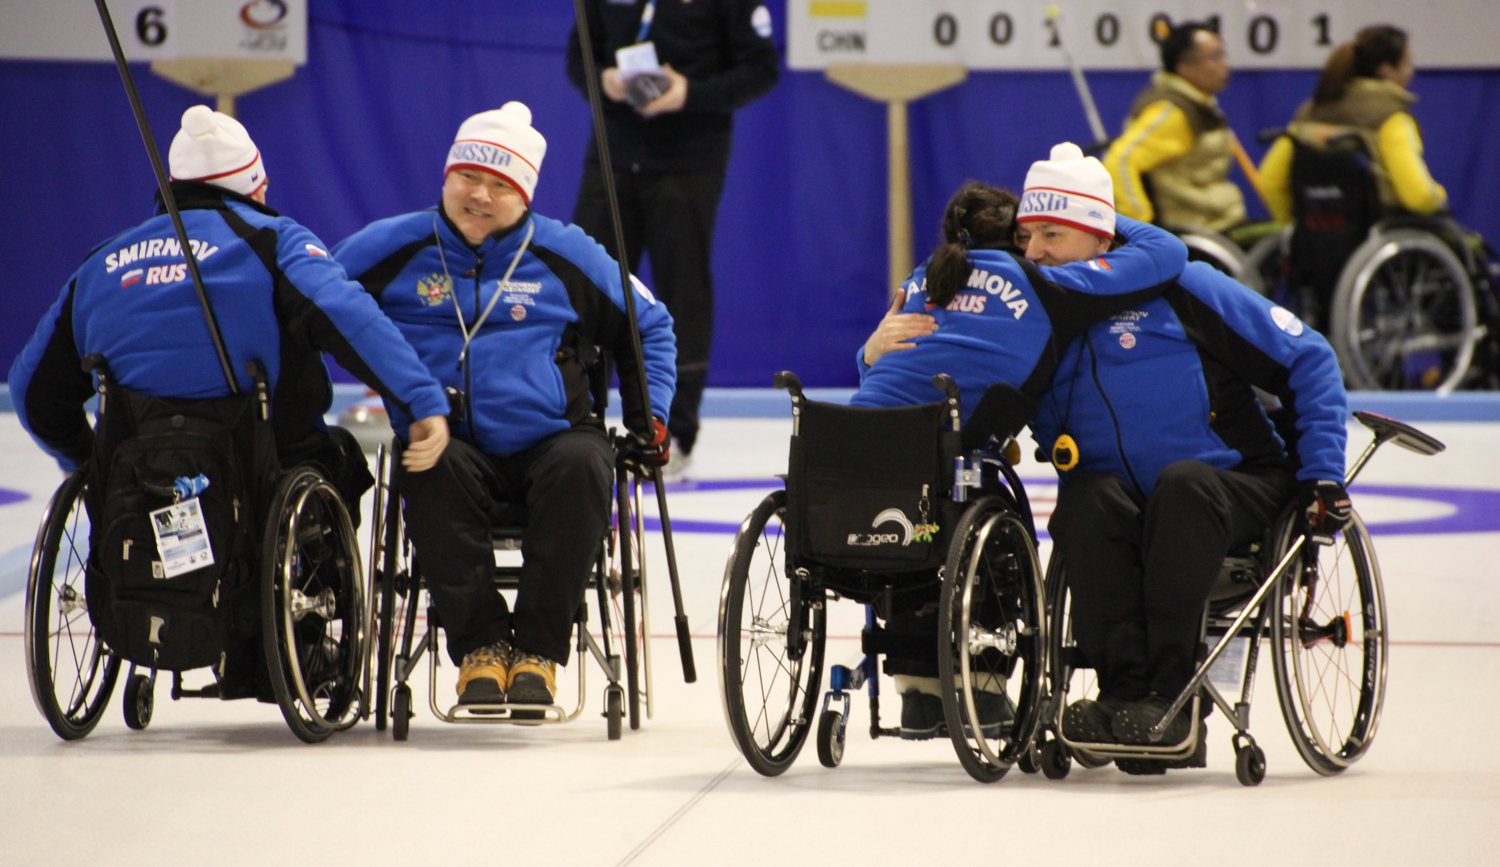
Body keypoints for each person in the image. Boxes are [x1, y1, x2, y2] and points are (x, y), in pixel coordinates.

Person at [9, 105, 452, 695]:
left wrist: (89, 464)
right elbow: (354, 323)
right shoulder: (274, 241)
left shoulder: (101, 263)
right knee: (340, 459)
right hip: (267, 464)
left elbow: (33, 391)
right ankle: (290, 647)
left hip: (136, 473)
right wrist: (419, 401)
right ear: (254, 186)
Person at [332, 102, 677, 715]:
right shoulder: (390, 246)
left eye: (500, 185)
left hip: (555, 437)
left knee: (584, 465)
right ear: (447, 177)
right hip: (449, 438)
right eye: (468, 177)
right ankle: (481, 649)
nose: (479, 196)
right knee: (427, 463)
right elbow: (314, 305)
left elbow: (648, 325)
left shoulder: (567, 253)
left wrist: (650, 418)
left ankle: (539, 654)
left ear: (525, 197)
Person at [852, 143, 1190, 740]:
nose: (1036, 246)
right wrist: (1098, 217)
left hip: (852, 454)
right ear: (1015, 239)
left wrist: (865, 353)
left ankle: (916, 691)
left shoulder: (921, 279)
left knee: (913, 523)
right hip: (943, 460)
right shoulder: (1042, 284)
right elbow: (1167, 253)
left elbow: (886, 369)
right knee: (984, 504)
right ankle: (981, 690)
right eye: (1029, 234)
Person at [1029, 155, 1350, 773]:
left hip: (1237, 482)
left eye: (1052, 234)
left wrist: (1322, 473)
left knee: (1183, 487)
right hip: (1128, 502)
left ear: (1100, 239)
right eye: (1026, 236)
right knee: (1086, 498)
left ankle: (1172, 698)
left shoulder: (1186, 288)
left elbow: (1309, 357)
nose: (1035, 252)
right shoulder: (1041, 315)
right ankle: (1124, 697)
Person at [566, 0, 779, 481]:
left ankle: (673, 435)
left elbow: (761, 69)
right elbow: (580, 54)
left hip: (688, 162)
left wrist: (689, 93)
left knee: (682, 293)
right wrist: (602, 80)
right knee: (586, 287)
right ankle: (577, 421)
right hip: (612, 156)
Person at [1259, 25, 1447, 224]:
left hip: (1314, 231)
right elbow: (1419, 197)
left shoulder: (1310, 113)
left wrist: (1294, 225)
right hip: (1380, 228)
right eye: (1407, 63)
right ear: (1386, 71)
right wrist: (1439, 196)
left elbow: (1269, 182)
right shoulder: (1392, 118)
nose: (1411, 71)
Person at [1104, 22, 1245, 235]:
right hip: (1197, 227)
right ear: (1184, 67)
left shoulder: (1200, 106)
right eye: (1214, 57)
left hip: (1219, 217)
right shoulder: (1173, 113)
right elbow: (1120, 161)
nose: (1225, 65)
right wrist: (1141, 228)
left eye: (1223, 55)